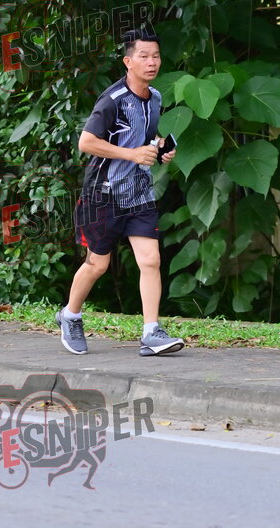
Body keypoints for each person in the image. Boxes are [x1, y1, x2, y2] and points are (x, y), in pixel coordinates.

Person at [55, 28, 185, 357]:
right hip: (104, 194)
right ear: (128, 61)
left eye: (156, 56)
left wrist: (160, 147)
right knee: (97, 265)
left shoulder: (155, 98)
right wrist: (132, 154)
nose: (152, 62)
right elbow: (86, 142)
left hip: (139, 193)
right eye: (144, 56)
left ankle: (151, 332)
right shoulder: (112, 100)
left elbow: (145, 137)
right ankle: (70, 315)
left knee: (151, 260)